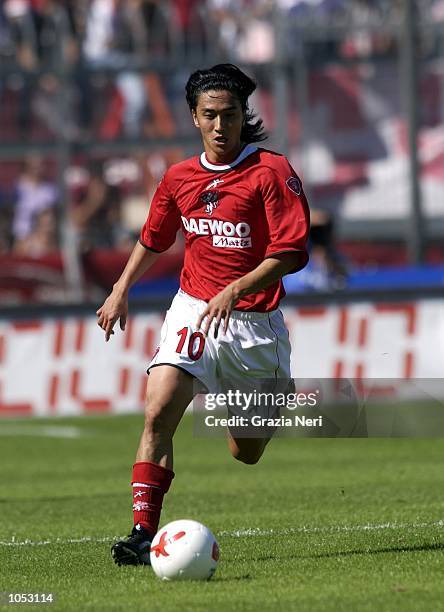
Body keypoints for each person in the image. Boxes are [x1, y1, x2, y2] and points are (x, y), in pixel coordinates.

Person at [96, 63, 310, 566]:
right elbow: (154, 237)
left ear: (243, 116)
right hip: (193, 309)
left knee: (246, 452)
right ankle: (142, 532)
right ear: (194, 117)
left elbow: (295, 251)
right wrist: (121, 288)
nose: (220, 126)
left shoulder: (271, 172)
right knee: (159, 410)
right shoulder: (178, 177)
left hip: (253, 325)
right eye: (210, 115)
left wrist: (236, 289)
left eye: (229, 115)